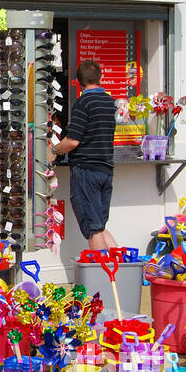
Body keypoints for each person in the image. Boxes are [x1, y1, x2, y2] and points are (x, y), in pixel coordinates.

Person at [49, 60, 119, 251]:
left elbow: (72, 141)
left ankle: (103, 278)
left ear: (78, 81)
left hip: (87, 171)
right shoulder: (109, 102)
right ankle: (120, 273)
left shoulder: (84, 103)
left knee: (93, 229)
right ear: (100, 77)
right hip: (106, 169)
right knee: (100, 227)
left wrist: (54, 151)